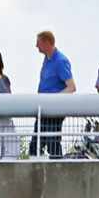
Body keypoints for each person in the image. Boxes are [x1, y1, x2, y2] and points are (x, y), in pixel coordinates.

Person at [34, 30, 74, 158]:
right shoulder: (47, 60)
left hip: (54, 110)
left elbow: (71, 87)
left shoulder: (60, 61)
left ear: (46, 43)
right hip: (44, 109)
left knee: (52, 144)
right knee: (36, 145)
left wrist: (54, 100)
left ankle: (57, 168)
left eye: (38, 43)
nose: (36, 46)